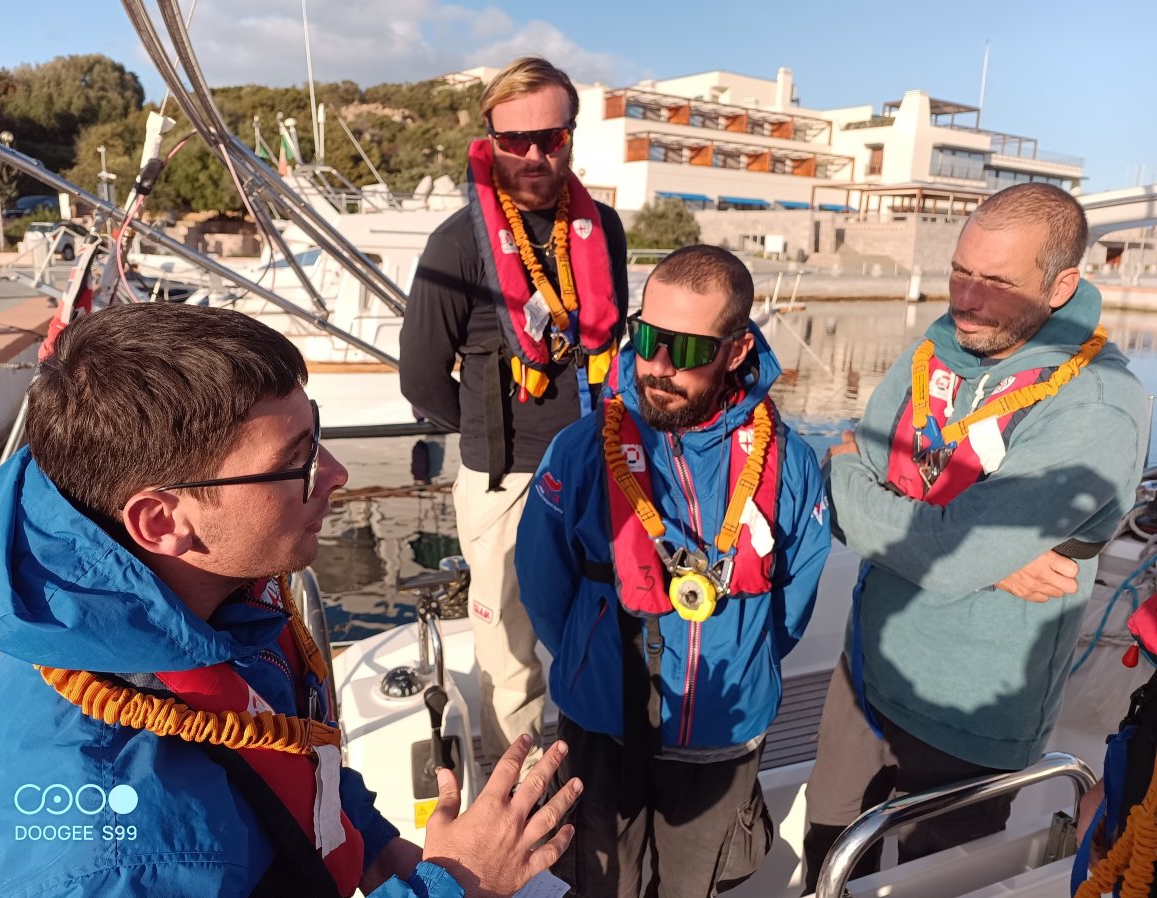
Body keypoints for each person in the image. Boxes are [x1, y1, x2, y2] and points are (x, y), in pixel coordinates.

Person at [0, 302, 581, 898]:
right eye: (296, 460)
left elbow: (284, 752)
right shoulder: (105, 859)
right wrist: (458, 882)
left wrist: (388, 854)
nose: (335, 473)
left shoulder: (206, 604)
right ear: (160, 521)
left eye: (318, 435)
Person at [801, 182, 1149, 890]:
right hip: (865, 674)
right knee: (825, 856)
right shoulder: (934, 351)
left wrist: (941, 541)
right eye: (961, 271)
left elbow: (919, 533)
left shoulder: (1100, 405)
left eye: (996, 281)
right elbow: (844, 493)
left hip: (970, 712)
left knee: (927, 881)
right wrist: (981, 554)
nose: (966, 297)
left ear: (1061, 287)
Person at [517, 245, 831, 897]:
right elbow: (544, 585)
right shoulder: (579, 450)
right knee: (600, 884)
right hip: (604, 725)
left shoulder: (790, 462)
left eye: (687, 350)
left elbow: (794, 599)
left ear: (737, 350)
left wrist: (743, 659)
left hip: (725, 735)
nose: (658, 365)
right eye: (648, 336)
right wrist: (586, 663)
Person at [399, 56, 629, 770]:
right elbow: (420, 378)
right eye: (514, 140)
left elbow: (613, 345)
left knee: (602, 630)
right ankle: (519, 804)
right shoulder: (457, 246)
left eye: (550, 138)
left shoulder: (606, 228)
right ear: (489, 139)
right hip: (505, 480)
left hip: (595, 465)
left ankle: (601, 773)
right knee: (510, 658)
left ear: (570, 136)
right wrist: (482, 433)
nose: (533, 154)